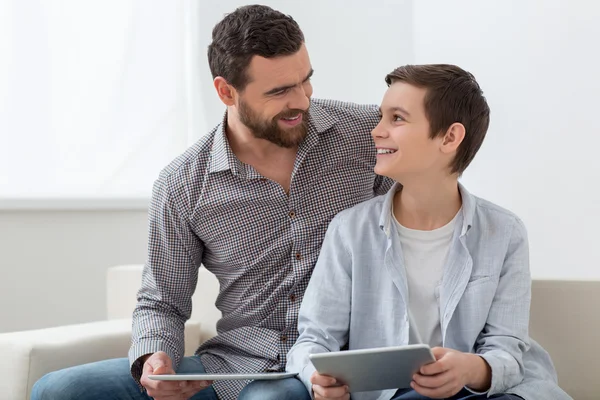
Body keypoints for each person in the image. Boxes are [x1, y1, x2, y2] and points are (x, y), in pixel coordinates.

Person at [30, 4, 393, 400]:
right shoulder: (183, 184)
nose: (302, 100)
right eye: (279, 91)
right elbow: (161, 301)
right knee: (58, 389)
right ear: (226, 91)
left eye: (305, 81)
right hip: (236, 365)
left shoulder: (367, 135)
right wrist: (155, 359)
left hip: (331, 363)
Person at [286, 64, 572, 400]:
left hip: (477, 394)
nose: (376, 131)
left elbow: (506, 349)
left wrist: (469, 369)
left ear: (450, 137)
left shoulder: (504, 233)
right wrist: (316, 376)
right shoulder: (350, 231)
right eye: (381, 117)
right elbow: (315, 338)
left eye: (397, 118)